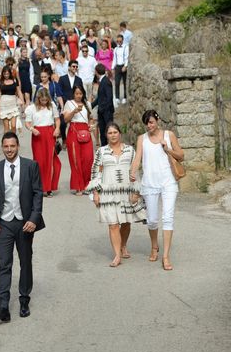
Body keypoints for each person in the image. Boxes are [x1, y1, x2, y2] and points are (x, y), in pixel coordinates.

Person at [0, 132, 44, 322]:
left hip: (24, 223)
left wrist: (34, 218)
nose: (9, 150)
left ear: (18, 146)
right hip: (4, 223)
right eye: (6, 146)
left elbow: (38, 193)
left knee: (25, 261)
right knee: (4, 264)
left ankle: (24, 300)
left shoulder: (30, 166)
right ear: (2, 147)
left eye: (12, 146)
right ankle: (3, 306)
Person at [130, 110, 184, 271]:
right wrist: (133, 172)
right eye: (146, 123)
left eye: (151, 122)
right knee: (152, 220)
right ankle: (154, 246)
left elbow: (181, 155)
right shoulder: (142, 139)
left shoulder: (169, 135)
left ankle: (166, 256)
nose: (149, 126)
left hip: (168, 183)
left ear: (158, 120)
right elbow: (137, 159)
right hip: (150, 184)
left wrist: (167, 149)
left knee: (168, 218)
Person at [86, 123, 146, 267]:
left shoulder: (130, 150)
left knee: (126, 222)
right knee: (113, 224)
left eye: (115, 132)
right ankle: (117, 255)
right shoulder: (101, 151)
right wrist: (95, 193)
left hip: (126, 191)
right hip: (108, 193)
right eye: (110, 133)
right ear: (106, 135)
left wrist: (136, 192)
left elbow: (136, 171)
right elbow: (95, 172)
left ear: (120, 133)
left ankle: (123, 245)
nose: (113, 135)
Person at [25, 88, 61, 197]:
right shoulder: (31, 108)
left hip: (50, 133)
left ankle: (49, 188)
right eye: (42, 100)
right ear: (38, 98)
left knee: (50, 161)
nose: (44, 102)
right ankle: (38, 187)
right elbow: (27, 123)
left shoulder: (52, 106)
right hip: (38, 134)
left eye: (46, 100)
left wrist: (57, 128)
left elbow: (57, 119)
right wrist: (32, 129)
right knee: (39, 162)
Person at [63, 86, 94, 195]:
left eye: (80, 93)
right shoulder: (69, 103)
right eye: (76, 93)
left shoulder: (87, 104)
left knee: (88, 158)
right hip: (74, 131)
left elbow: (90, 119)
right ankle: (78, 186)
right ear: (73, 94)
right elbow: (66, 119)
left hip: (85, 131)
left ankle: (86, 184)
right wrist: (74, 111)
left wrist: (91, 126)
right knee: (75, 160)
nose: (79, 96)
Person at [91, 64, 114, 146]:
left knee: (108, 131)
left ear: (97, 72)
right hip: (102, 112)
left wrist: (102, 109)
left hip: (106, 112)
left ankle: (109, 148)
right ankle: (104, 148)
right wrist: (91, 106)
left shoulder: (106, 81)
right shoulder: (103, 81)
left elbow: (109, 98)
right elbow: (100, 98)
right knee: (102, 131)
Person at [0, 65, 24, 134]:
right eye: (4, 74)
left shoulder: (14, 80)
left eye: (7, 74)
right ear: (2, 74)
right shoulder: (0, 81)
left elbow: (19, 91)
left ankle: (13, 140)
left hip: (13, 103)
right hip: (3, 104)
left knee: (14, 126)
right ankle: (6, 142)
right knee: (6, 127)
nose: (6, 75)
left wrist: (22, 102)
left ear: (10, 73)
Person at [112, 34, 129, 105]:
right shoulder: (115, 49)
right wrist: (112, 68)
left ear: (122, 40)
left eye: (120, 41)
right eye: (117, 41)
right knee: (117, 82)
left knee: (125, 82)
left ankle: (125, 97)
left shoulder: (126, 47)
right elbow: (114, 59)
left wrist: (125, 66)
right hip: (118, 67)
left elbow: (126, 57)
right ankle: (117, 97)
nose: (119, 42)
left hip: (123, 66)